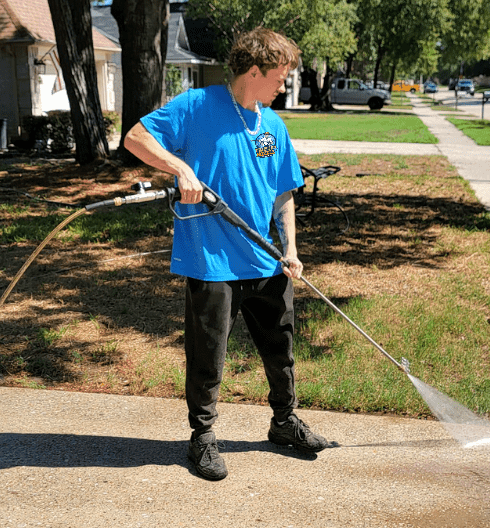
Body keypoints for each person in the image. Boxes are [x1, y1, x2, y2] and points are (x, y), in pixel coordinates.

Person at [123, 27, 333, 481]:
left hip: (264, 259)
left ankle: (284, 422)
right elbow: (135, 137)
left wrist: (290, 248)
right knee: (208, 355)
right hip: (211, 261)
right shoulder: (198, 106)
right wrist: (180, 168)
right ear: (254, 72)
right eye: (279, 77)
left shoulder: (272, 126)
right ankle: (201, 439)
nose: (283, 86)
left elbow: (283, 193)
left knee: (282, 348)